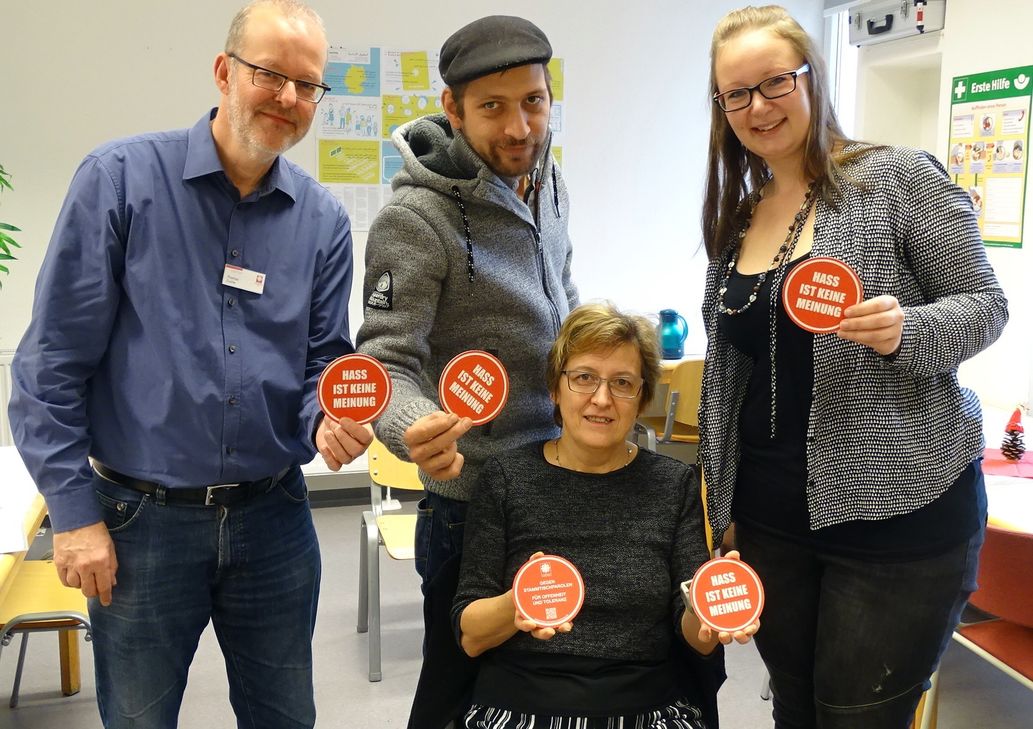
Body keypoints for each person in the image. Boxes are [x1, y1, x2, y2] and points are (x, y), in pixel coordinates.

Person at [8, 1, 372, 727]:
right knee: (140, 718)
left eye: (309, 85)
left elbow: (321, 363)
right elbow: (48, 367)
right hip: (139, 521)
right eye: (272, 75)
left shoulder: (323, 222)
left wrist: (327, 419)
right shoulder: (118, 180)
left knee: (285, 716)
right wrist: (75, 518)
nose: (290, 99)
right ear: (224, 71)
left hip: (274, 517)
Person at [699, 6, 1008, 729]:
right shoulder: (738, 217)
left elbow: (985, 306)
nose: (757, 107)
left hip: (899, 520)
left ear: (813, 77)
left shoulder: (897, 179)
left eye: (774, 82)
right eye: (735, 94)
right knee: (797, 711)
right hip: (773, 522)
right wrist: (724, 511)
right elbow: (725, 374)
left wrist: (906, 329)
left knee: (856, 718)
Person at [452, 303, 754, 728]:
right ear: (555, 390)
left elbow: (692, 634)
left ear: (642, 398)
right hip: (523, 702)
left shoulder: (673, 484)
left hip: (646, 706)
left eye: (622, 383)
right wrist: (516, 606)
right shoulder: (507, 476)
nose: (602, 398)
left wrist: (705, 617)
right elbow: (470, 635)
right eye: (584, 378)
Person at [357, 14, 578, 591]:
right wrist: (413, 426)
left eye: (533, 101)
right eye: (492, 107)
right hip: (471, 502)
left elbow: (564, 293)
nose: (519, 127)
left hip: (561, 476)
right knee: (460, 679)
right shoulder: (414, 221)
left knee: (553, 670)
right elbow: (384, 365)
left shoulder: (548, 180)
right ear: (452, 109)